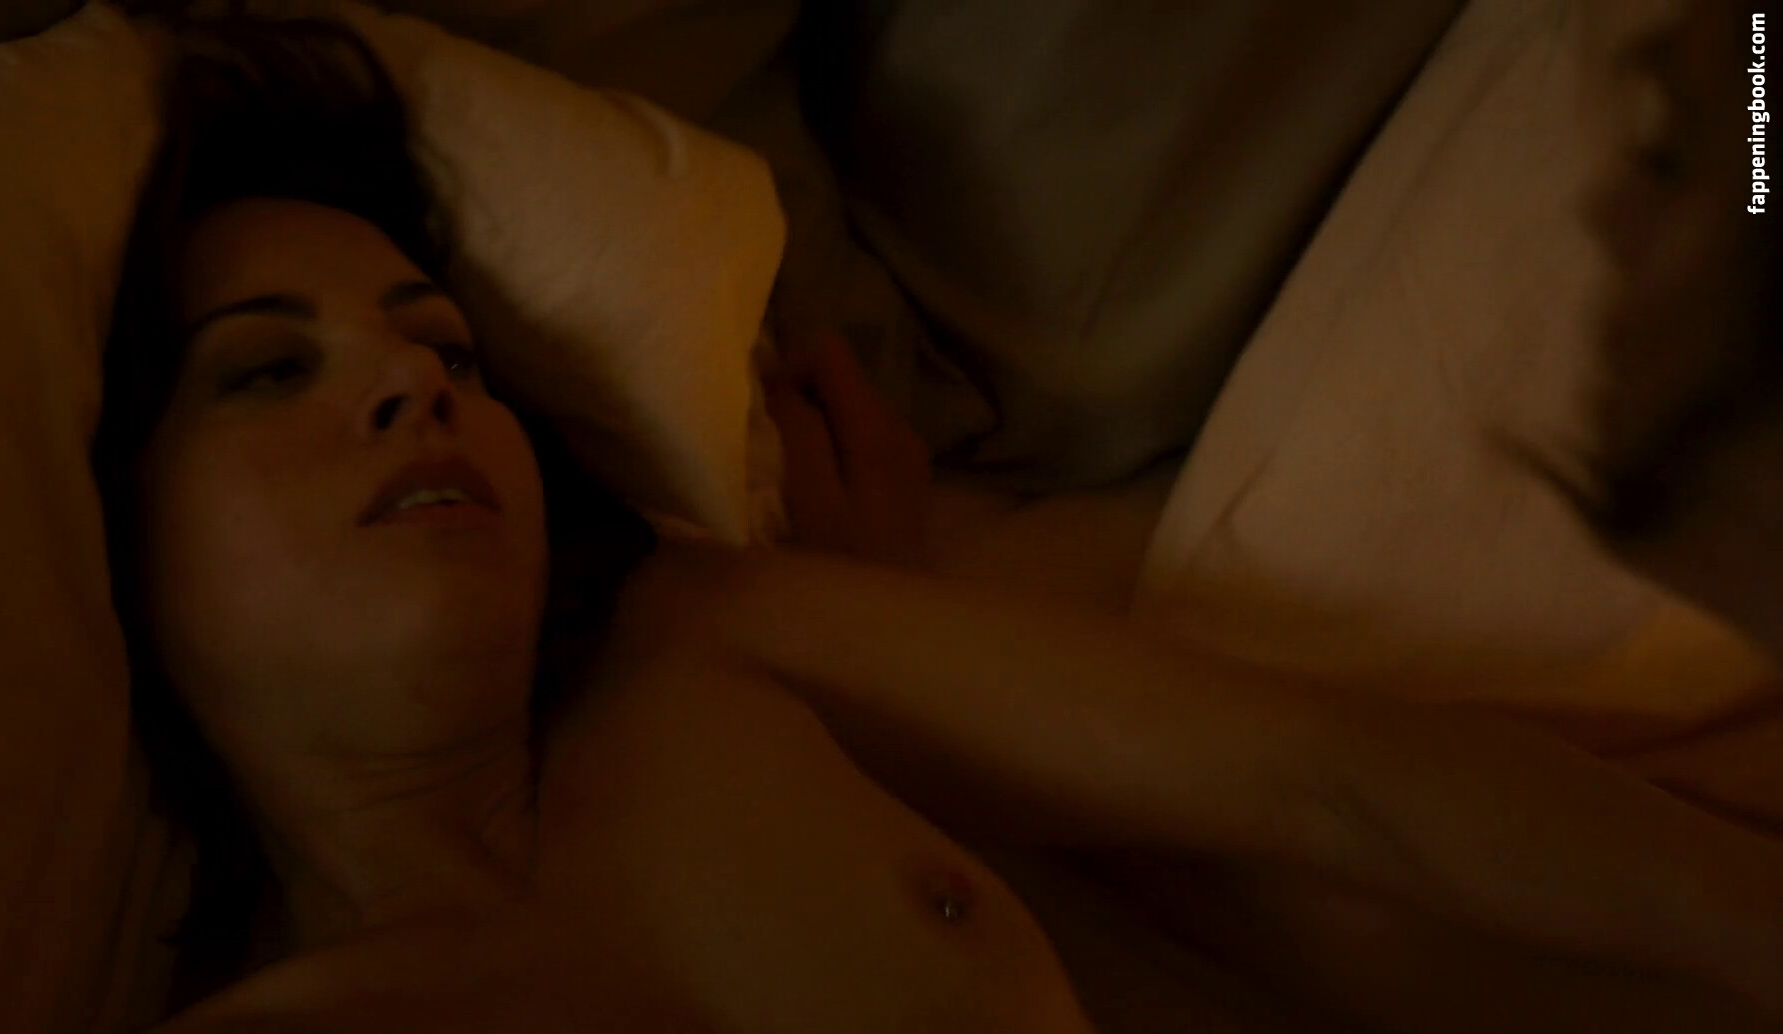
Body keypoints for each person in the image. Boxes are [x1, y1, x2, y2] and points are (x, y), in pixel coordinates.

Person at [102, 11, 1782, 1034]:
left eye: (452, 350)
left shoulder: (699, 651)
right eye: (266, 372)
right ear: (124, 538)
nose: (415, 380)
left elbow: (1319, 775)